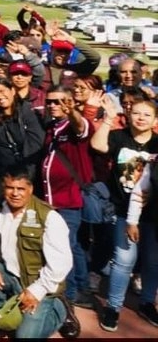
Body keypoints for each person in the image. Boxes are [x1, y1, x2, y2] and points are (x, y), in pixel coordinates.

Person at [0, 166, 79, 340]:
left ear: (30, 189)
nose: (15, 193)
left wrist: (36, 291)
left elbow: (61, 263)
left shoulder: (48, 217)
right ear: (3, 188)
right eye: (10, 188)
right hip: (10, 276)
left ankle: (60, 311)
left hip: (39, 284)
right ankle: (8, 309)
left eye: (21, 189)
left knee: (23, 336)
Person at [92, 96, 158, 332]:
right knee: (124, 261)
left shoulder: (157, 145)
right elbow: (98, 146)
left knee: (152, 261)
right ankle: (114, 307)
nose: (141, 118)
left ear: (155, 120)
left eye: (147, 115)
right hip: (122, 210)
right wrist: (109, 119)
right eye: (137, 113)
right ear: (129, 115)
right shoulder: (120, 138)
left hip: (152, 215)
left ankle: (147, 302)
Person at [37, 85, 96, 310]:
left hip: (68, 201)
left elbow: (81, 127)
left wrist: (72, 112)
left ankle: (69, 294)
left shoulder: (72, 126)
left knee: (63, 248)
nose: (53, 106)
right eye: (50, 101)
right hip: (52, 199)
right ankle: (81, 286)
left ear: (70, 102)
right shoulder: (52, 127)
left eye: (59, 101)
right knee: (75, 247)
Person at [123, 158, 158, 327]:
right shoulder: (154, 163)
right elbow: (140, 192)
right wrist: (132, 221)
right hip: (153, 220)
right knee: (152, 263)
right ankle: (147, 302)